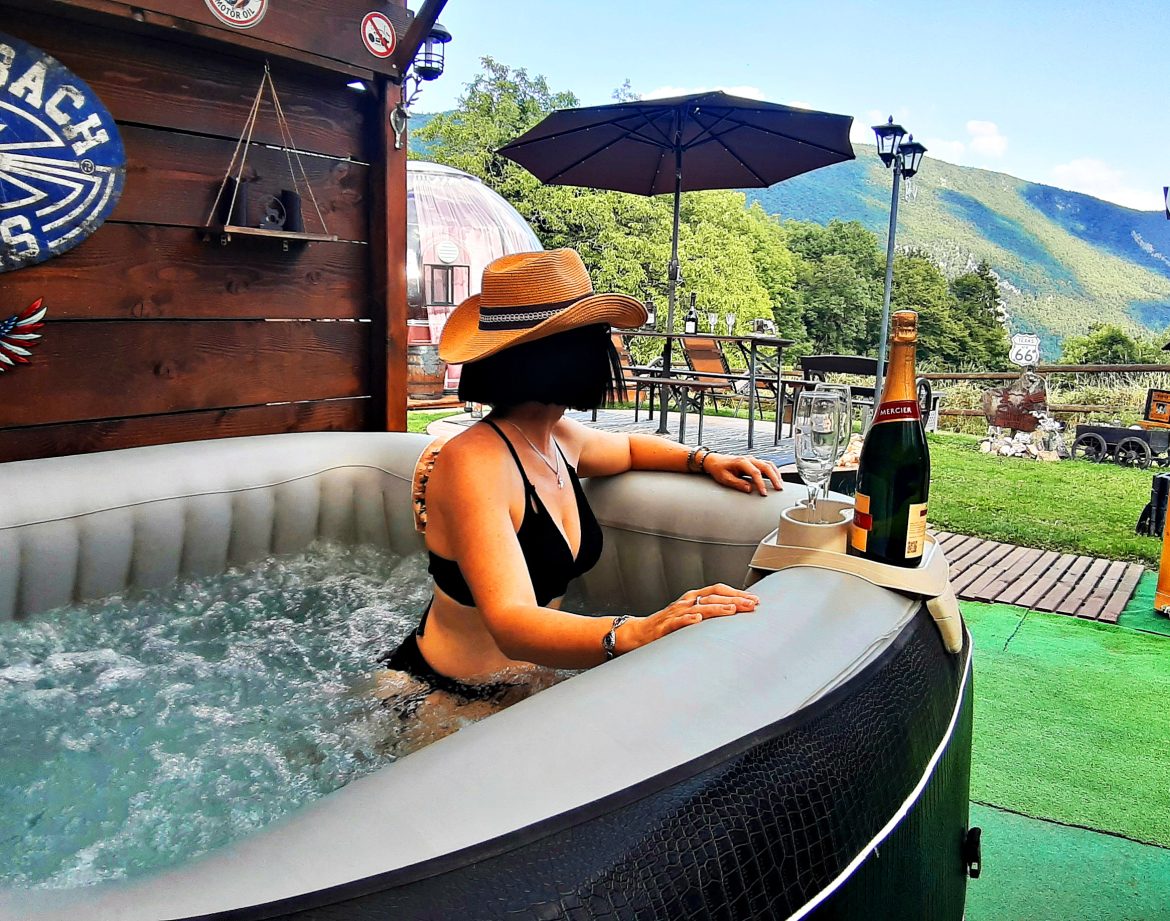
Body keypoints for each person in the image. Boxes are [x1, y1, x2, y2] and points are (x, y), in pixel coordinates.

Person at [379, 249, 782, 722]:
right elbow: (510, 621)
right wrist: (636, 632)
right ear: (572, 355)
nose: (608, 351)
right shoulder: (473, 461)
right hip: (444, 698)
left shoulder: (557, 439)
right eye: (600, 338)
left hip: (526, 684)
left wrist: (705, 460)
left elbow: (631, 449)